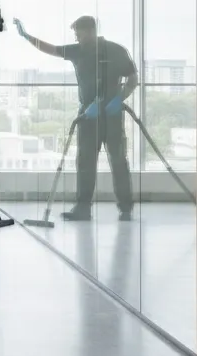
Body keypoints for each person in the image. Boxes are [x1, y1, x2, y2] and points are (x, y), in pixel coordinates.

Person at [13, 15, 139, 221]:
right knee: (85, 162)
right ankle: (83, 208)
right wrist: (26, 36)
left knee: (118, 161)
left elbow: (133, 79)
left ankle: (126, 209)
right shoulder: (77, 51)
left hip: (112, 116)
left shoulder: (116, 50)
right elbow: (51, 49)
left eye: (78, 32)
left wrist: (119, 99)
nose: (76, 36)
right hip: (88, 115)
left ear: (90, 31)